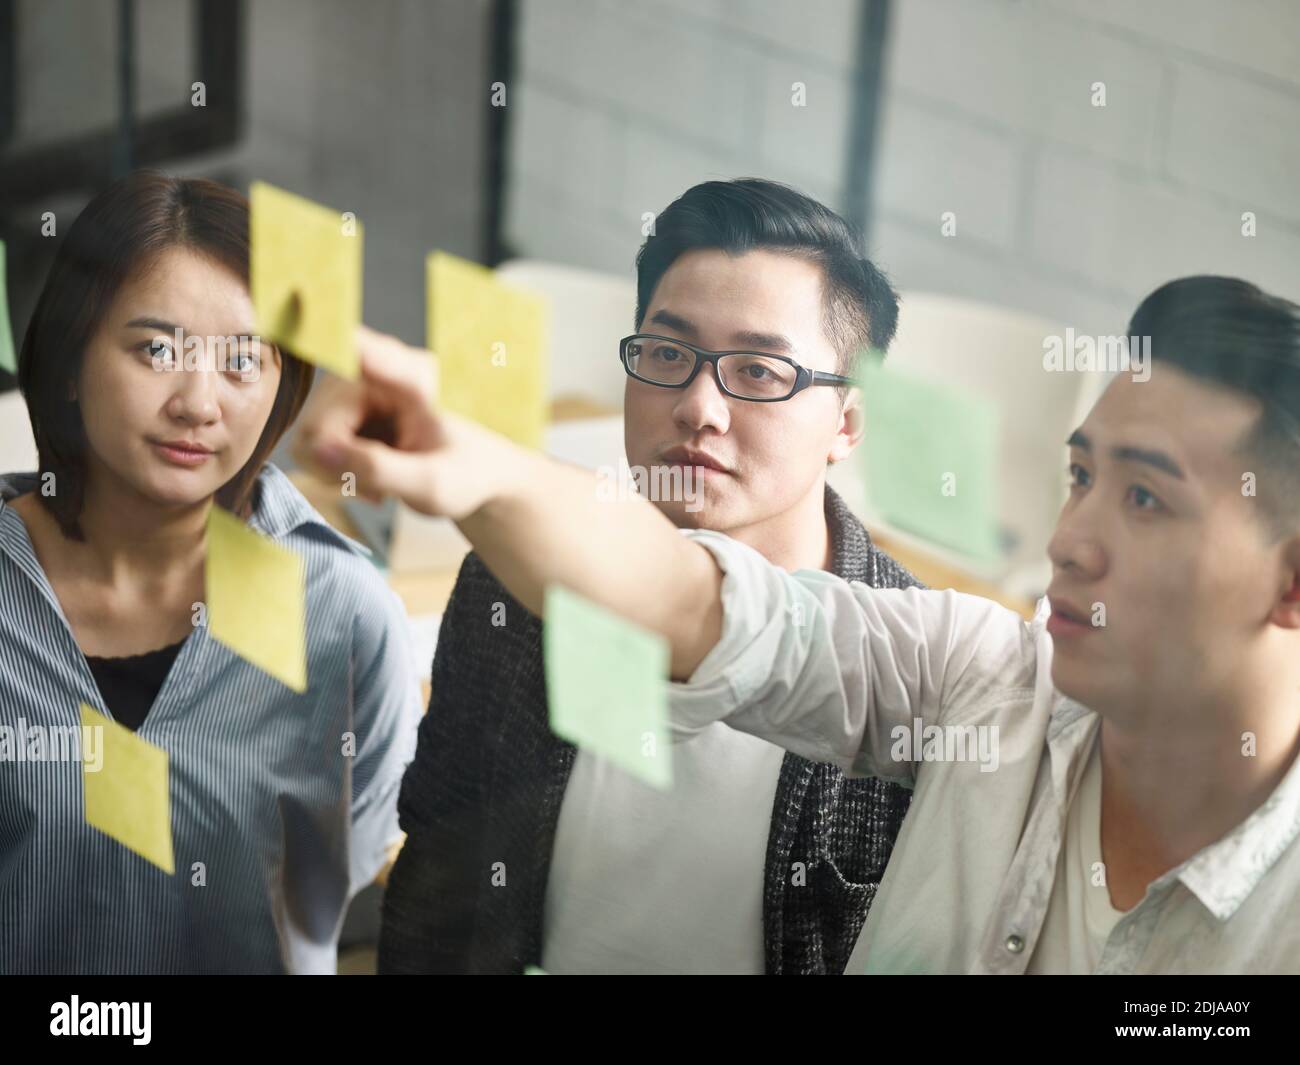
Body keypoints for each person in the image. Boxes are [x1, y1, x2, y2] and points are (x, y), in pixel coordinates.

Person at [304, 275, 1300, 973]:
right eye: (1082, 477)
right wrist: (478, 466)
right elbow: (697, 601)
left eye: (1147, 502)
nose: (1070, 540)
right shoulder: (983, 679)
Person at [375, 179, 922, 974]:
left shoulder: (910, 670)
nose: (699, 406)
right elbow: (433, 895)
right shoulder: (515, 589)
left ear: (846, 421)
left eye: (760, 371)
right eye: (668, 353)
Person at [0, 171, 420, 974]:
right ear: (66, 361)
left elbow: (351, 858)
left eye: (242, 360)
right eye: (156, 350)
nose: (199, 402)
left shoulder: (342, 612)